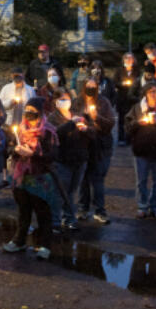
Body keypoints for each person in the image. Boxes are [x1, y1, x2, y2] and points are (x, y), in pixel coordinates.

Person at [1, 98, 61, 259]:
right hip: (21, 177)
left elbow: (53, 155)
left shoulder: (48, 131)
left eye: (32, 110)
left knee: (43, 213)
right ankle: (19, 241)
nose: (29, 113)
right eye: (27, 110)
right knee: (23, 211)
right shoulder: (20, 129)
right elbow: (10, 147)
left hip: (40, 178)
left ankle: (45, 245)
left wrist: (33, 154)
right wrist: (16, 150)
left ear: (40, 112)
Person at [49, 88, 92, 230]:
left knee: (72, 191)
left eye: (67, 98)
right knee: (59, 191)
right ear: (56, 102)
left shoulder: (76, 115)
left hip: (79, 159)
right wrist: (71, 124)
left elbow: (93, 133)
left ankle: (69, 218)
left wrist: (86, 130)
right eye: (61, 99)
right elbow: (55, 134)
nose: (65, 101)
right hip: (63, 160)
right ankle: (54, 221)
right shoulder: (52, 118)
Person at [127, 81, 156, 218]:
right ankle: (142, 206)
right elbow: (127, 127)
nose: (153, 94)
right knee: (141, 180)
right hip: (141, 149)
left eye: (155, 91)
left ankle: (154, 206)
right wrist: (138, 123)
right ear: (145, 93)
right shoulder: (137, 108)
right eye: (150, 91)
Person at [77, 76, 116, 224]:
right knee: (84, 178)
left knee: (97, 178)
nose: (91, 89)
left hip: (100, 145)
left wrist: (97, 117)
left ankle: (100, 210)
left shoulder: (104, 102)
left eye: (94, 87)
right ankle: (82, 208)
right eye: (89, 86)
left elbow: (111, 123)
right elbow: (72, 116)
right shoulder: (79, 102)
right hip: (84, 144)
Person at [113, 52, 143, 145]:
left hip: (133, 99)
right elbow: (115, 82)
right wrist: (122, 84)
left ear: (134, 60)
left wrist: (133, 85)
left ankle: (131, 138)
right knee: (122, 119)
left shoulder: (138, 71)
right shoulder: (119, 71)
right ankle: (121, 138)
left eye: (130, 58)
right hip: (122, 98)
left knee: (133, 119)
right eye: (126, 58)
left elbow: (140, 83)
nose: (128, 60)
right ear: (123, 60)